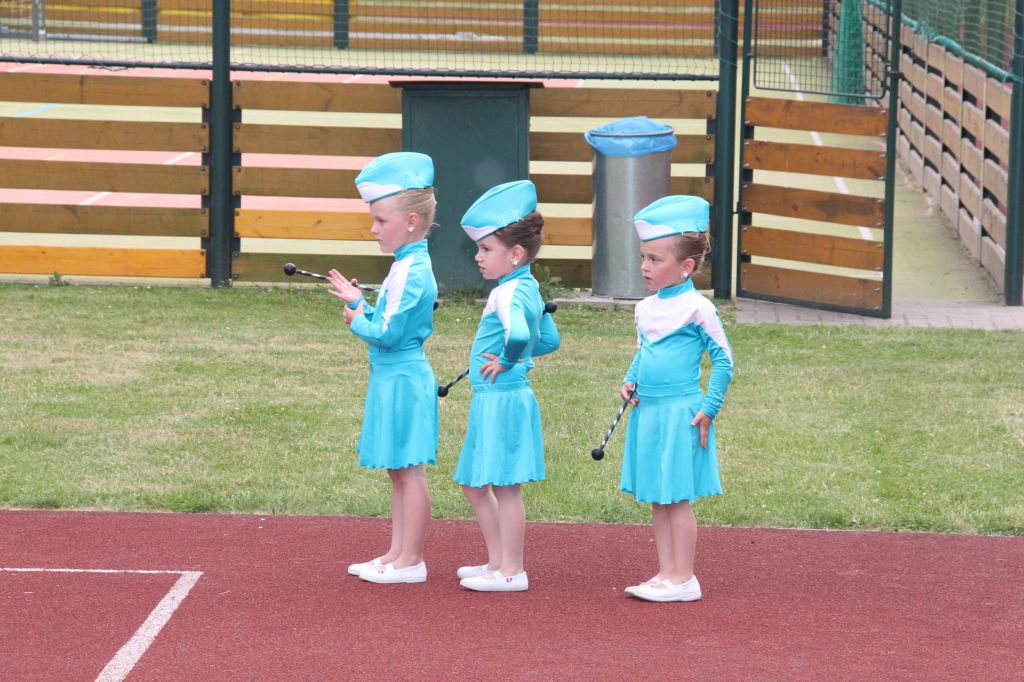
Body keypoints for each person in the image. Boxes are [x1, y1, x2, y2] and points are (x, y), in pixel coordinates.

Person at [326, 151, 438, 585]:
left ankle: (411, 561)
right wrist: (360, 303)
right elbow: (390, 323)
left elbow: (388, 334)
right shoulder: (405, 265)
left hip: (403, 377)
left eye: (380, 220)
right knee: (398, 470)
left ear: (411, 221)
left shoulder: (411, 270)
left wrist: (357, 319)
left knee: (409, 470)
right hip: (393, 377)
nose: (373, 229)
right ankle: (396, 554)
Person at [617, 195, 734, 602]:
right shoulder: (644, 309)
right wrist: (631, 380)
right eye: (643, 257)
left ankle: (684, 578)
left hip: (683, 413)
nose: (645, 266)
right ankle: (665, 573)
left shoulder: (699, 308)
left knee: (677, 497)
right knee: (657, 495)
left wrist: (709, 408)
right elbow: (644, 351)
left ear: (685, 266)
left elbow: (724, 361)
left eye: (655, 259)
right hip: (648, 411)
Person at [453, 179, 560, 592]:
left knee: (504, 486)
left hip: (500, 398)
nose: (478, 257)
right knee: (475, 483)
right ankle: (497, 562)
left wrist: (509, 360)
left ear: (515, 254)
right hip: (498, 398)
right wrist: (519, 355)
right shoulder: (527, 286)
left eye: (485, 249)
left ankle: (511, 570)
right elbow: (548, 340)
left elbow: (519, 335)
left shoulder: (506, 294)